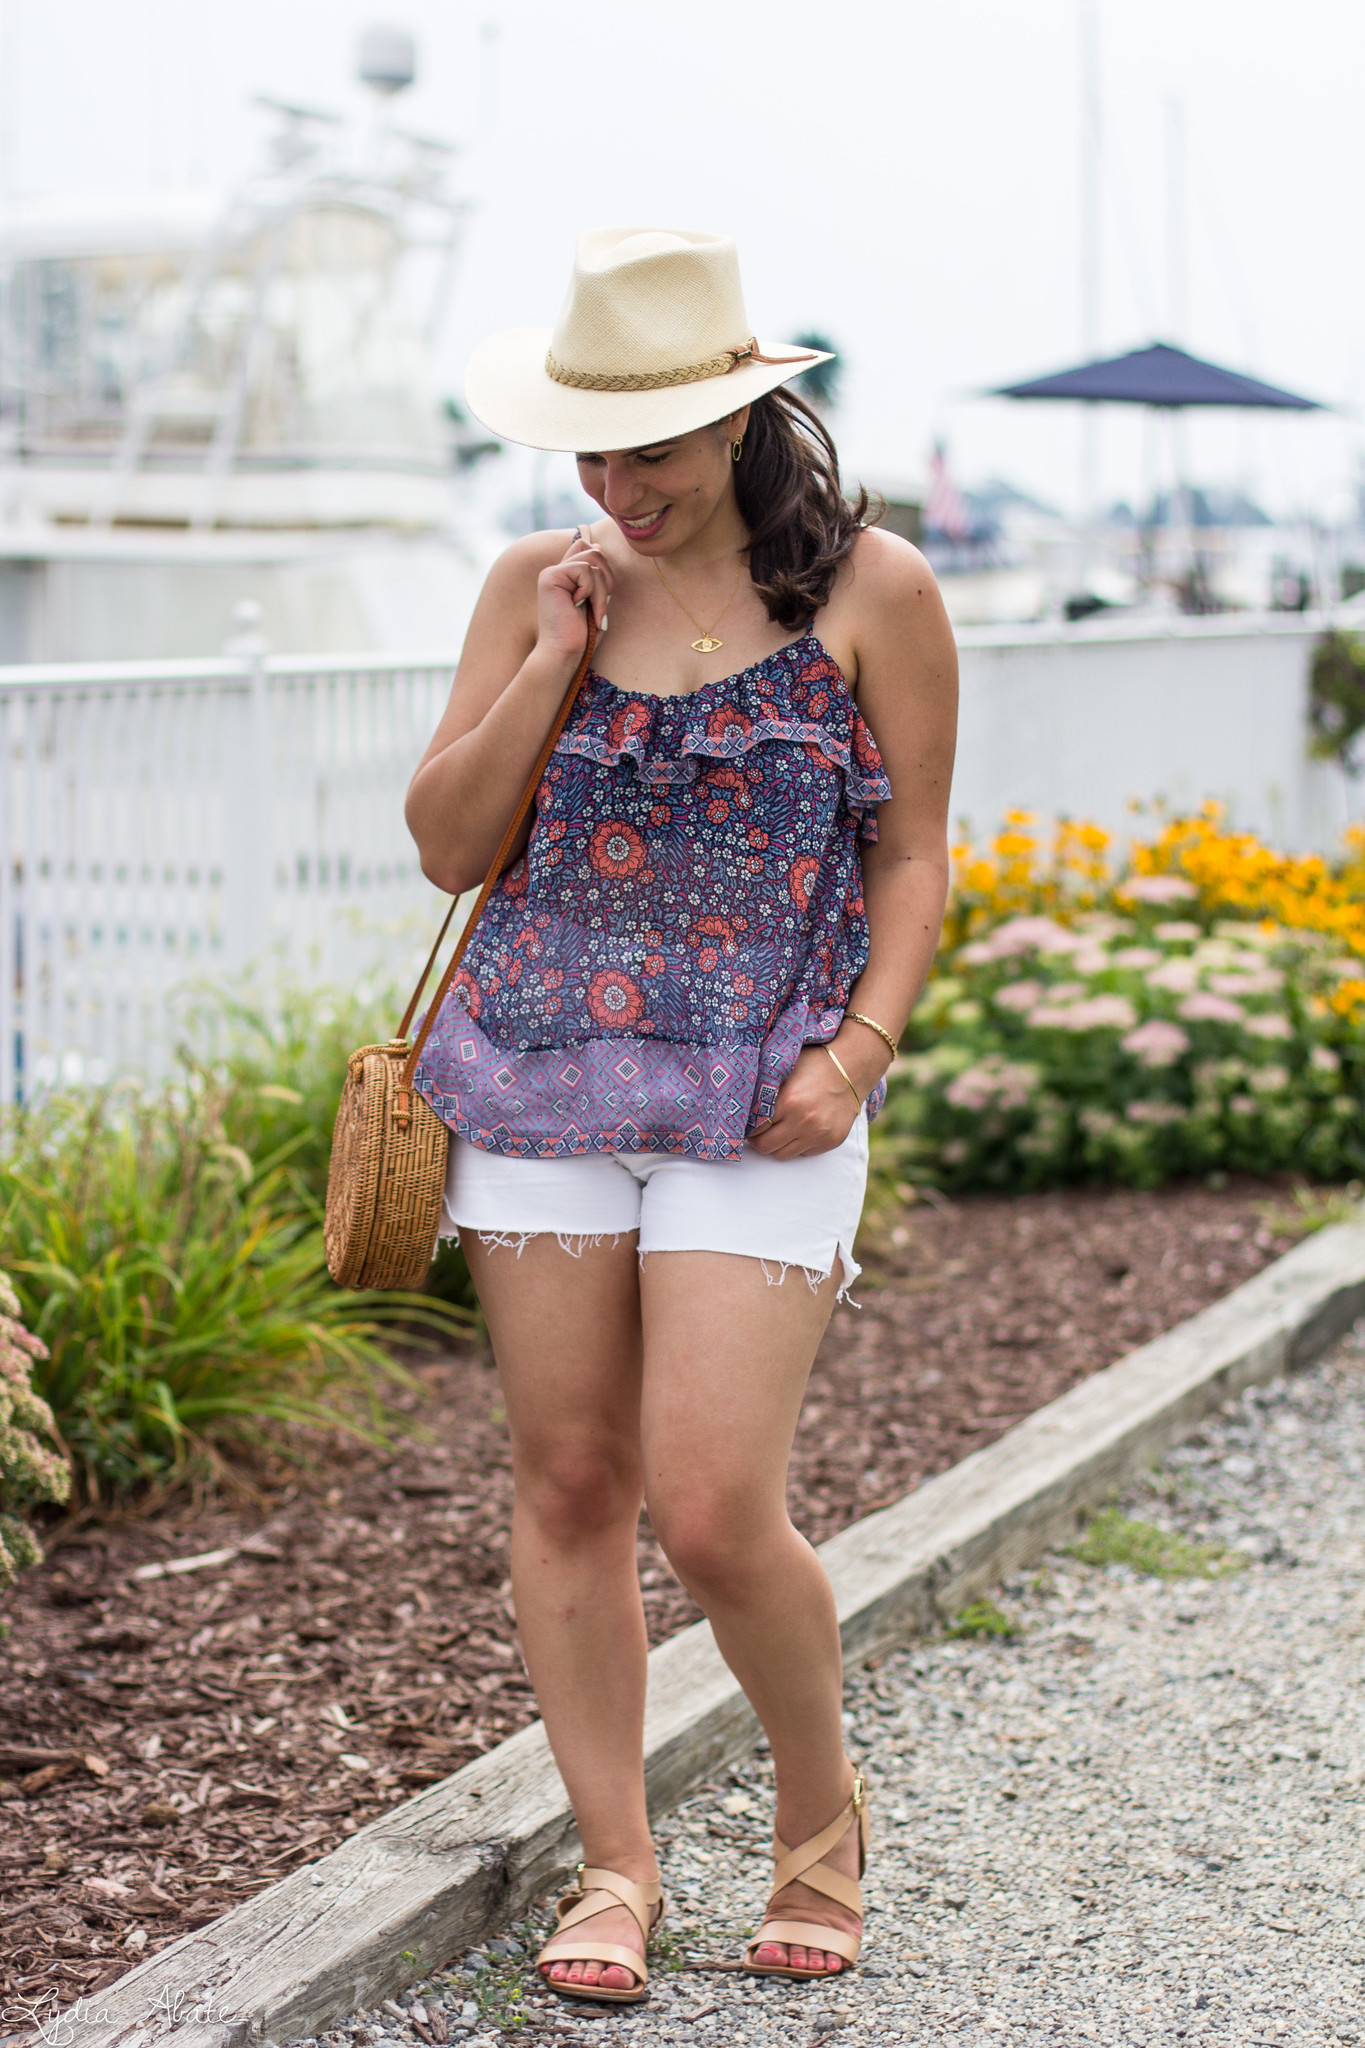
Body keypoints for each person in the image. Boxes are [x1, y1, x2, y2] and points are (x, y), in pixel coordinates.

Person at [404, 227, 957, 2005]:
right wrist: (555, 653)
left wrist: (858, 1053)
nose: (614, 488)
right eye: (590, 450)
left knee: (715, 1511)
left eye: (648, 449)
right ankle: (616, 1865)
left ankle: (819, 1826)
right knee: (570, 1481)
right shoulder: (534, 583)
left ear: (736, 425)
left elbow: (914, 855)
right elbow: (446, 847)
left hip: (766, 1094)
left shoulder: (875, 593)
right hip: (538, 1083)